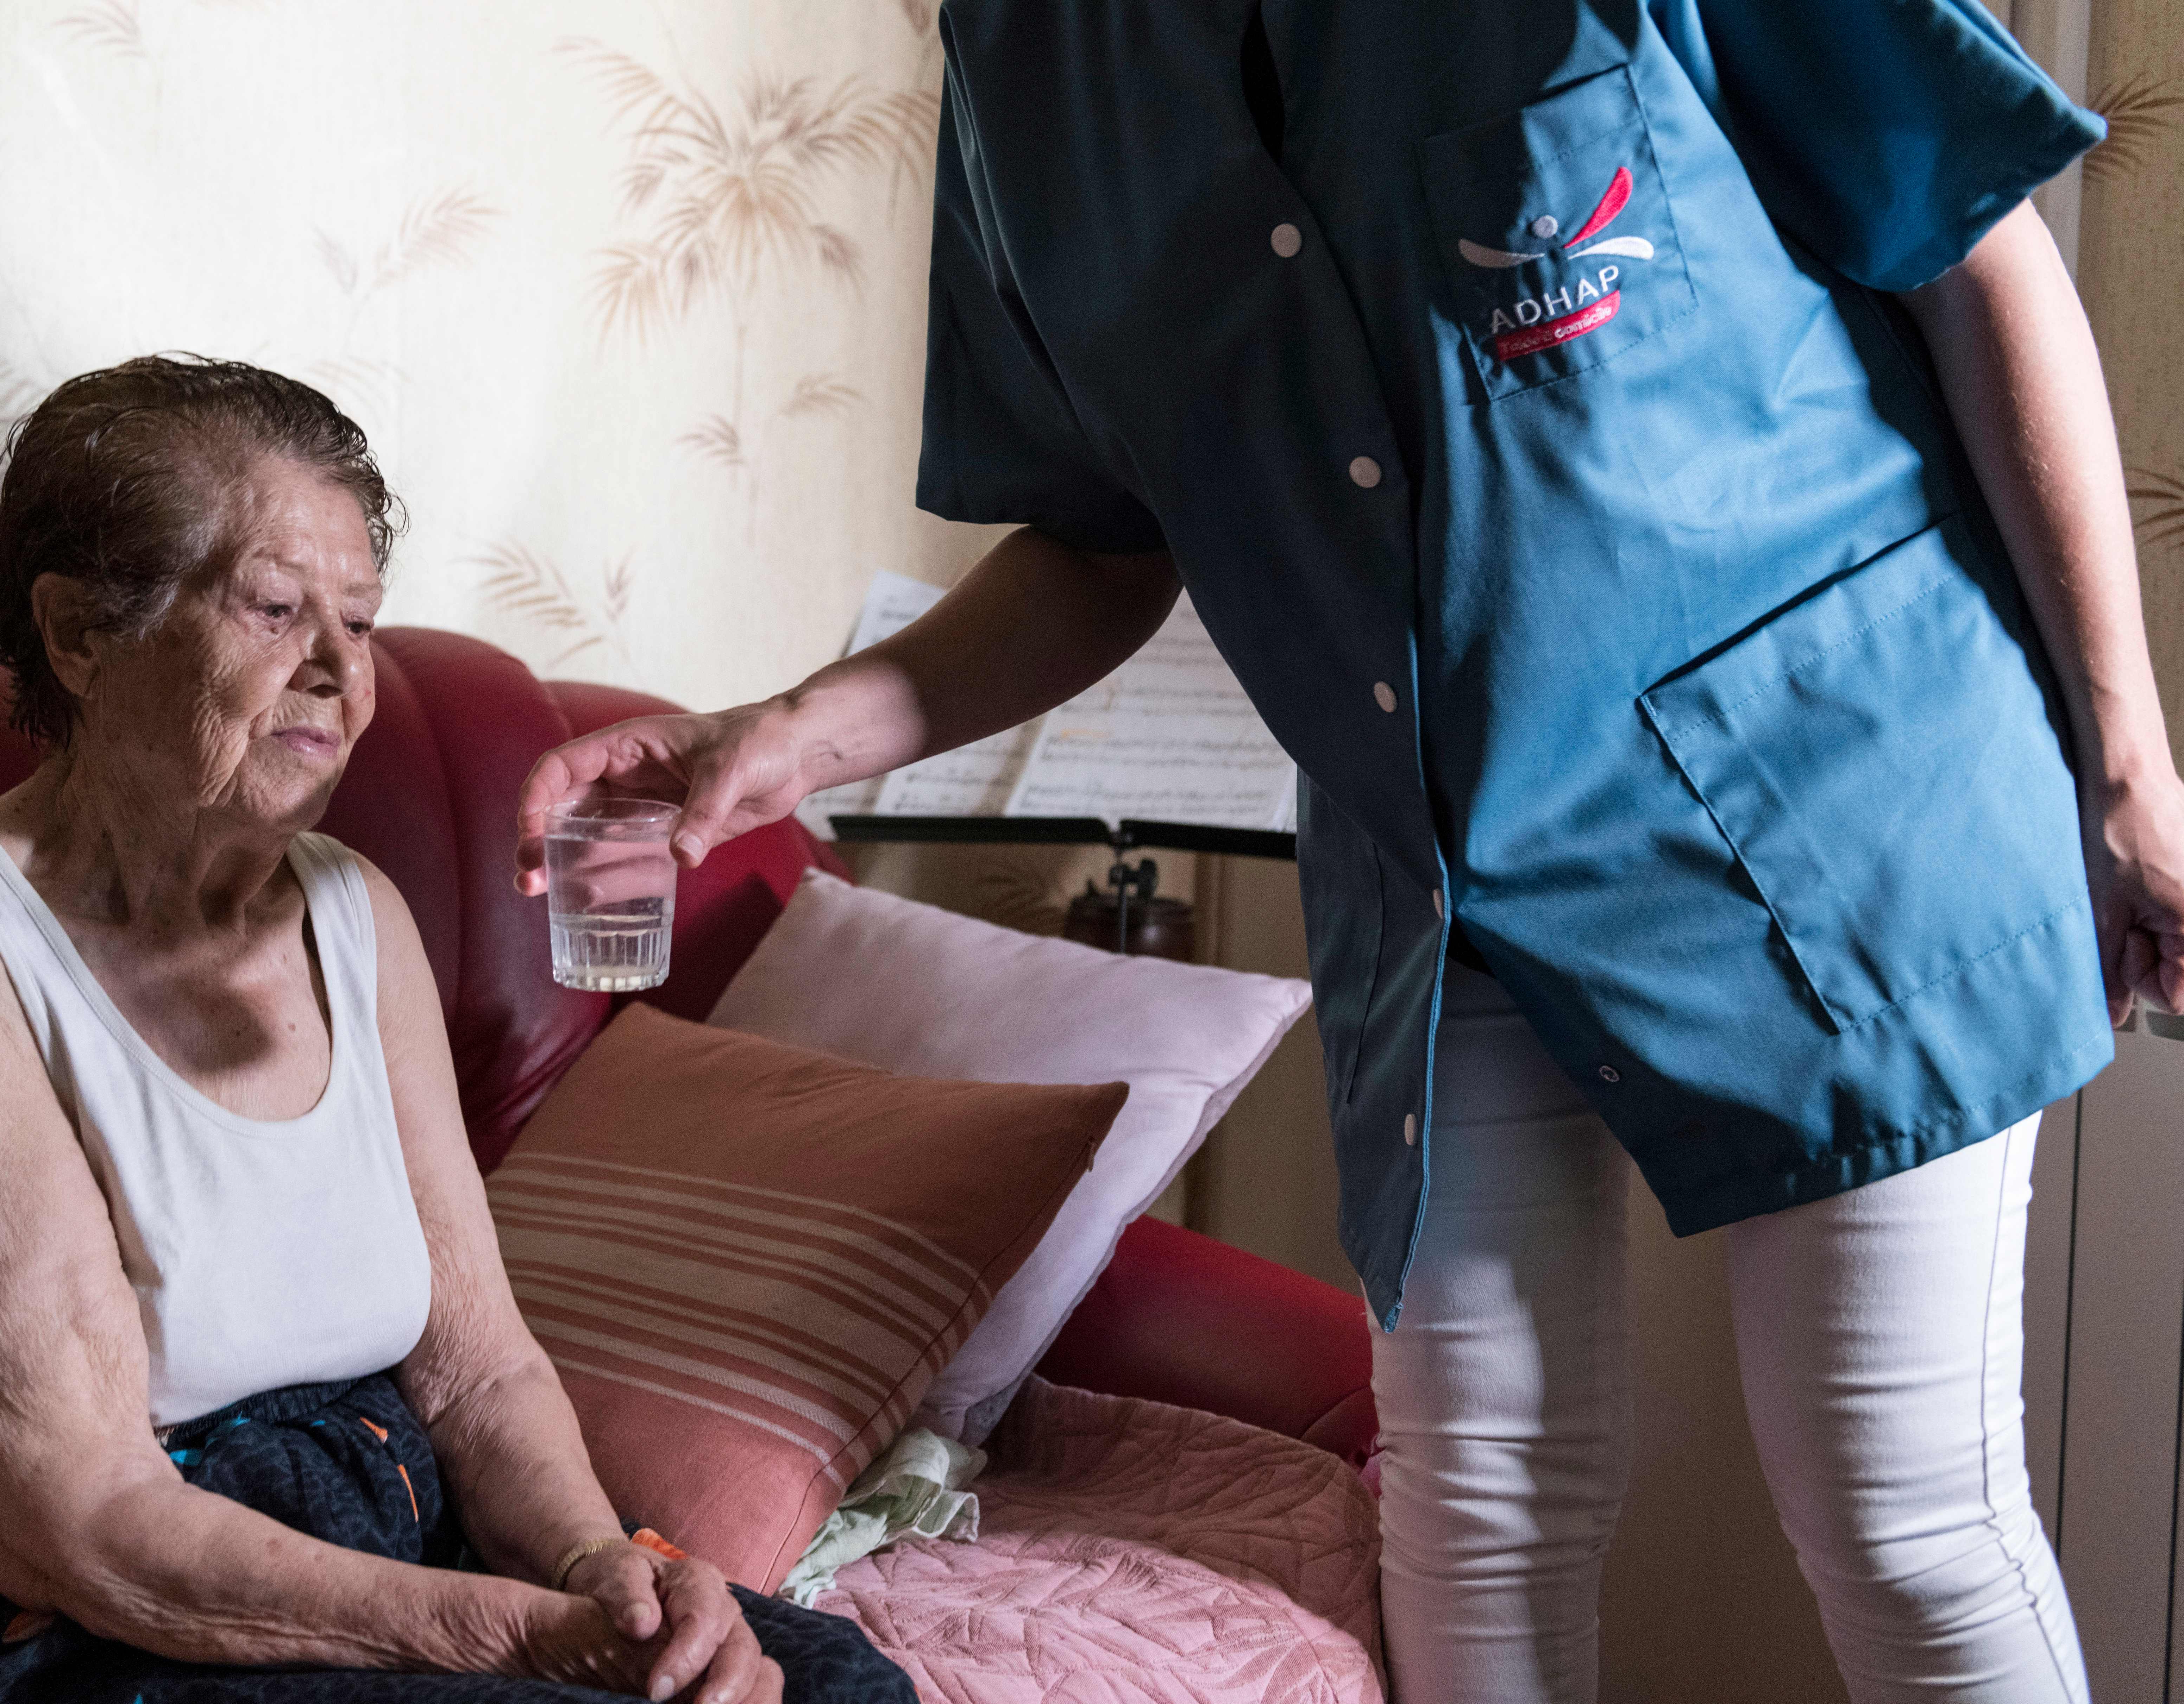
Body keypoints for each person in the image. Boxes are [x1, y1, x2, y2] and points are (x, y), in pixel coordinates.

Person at [515, 4, 2184, 1700]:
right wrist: (773, 741)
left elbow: (1976, 259)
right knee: (1475, 1513)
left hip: (1837, 792)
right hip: (1432, 854)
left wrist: (2128, 760)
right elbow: (1099, 547)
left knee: (1896, 1511)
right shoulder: (1025, 60)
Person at [0, 357, 912, 1704]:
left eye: (361, 618)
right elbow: (79, 1519)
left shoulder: (359, 913)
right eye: (278, 609)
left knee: (823, 1685)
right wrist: (514, 1635)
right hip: (64, 1596)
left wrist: (600, 1561)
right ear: (77, 637)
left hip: (376, 1505)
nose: (342, 674)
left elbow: (476, 1375)